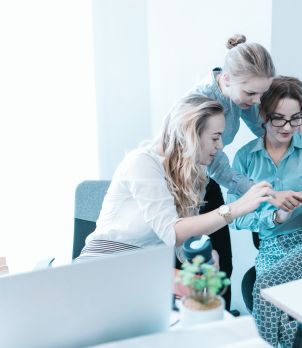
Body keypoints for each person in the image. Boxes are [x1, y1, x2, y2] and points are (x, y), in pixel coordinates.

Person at [76, 95, 276, 276]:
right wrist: (235, 208)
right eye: (215, 137)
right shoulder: (142, 162)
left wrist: (201, 256)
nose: (220, 145)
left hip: (144, 269)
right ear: (190, 136)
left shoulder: (194, 174)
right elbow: (172, 233)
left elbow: (181, 242)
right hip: (104, 264)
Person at [193, 34, 302, 308]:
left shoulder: (240, 97)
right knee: (198, 274)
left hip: (207, 179)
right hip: (185, 185)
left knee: (223, 265)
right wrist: (269, 194)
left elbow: (261, 126)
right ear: (228, 78)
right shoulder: (202, 103)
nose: (257, 101)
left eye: (262, 93)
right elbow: (218, 165)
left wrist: (288, 132)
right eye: (251, 94)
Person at [228, 76, 302, 347]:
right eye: (278, 118)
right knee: (286, 316)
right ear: (263, 115)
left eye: (295, 118)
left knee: (264, 287)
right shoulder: (245, 158)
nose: (288, 127)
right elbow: (236, 218)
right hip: (273, 246)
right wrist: (276, 216)